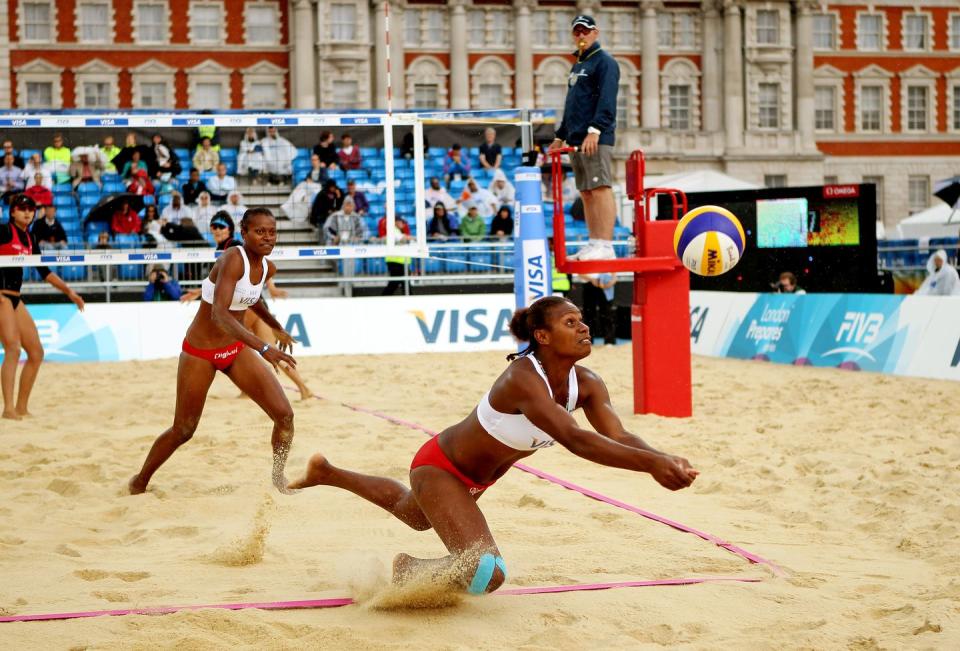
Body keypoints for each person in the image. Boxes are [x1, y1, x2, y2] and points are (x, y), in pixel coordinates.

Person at [288, 296, 697, 594]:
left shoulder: (586, 383)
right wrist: (650, 466)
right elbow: (576, 439)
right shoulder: (522, 377)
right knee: (488, 573)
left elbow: (620, 436)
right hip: (441, 467)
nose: (584, 327)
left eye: (582, 320)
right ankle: (410, 571)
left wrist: (661, 458)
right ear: (543, 336)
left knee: (416, 517)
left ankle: (328, 472)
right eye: (571, 322)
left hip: (477, 479)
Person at [129, 207, 299, 494]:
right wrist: (264, 347)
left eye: (272, 232)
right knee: (184, 430)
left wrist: (276, 325)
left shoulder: (268, 267)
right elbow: (220, 315)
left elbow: (252, 298)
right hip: (200, 352)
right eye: (260, 231)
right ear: (243, 233)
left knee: (285, 416)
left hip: (233, 349)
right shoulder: (233, 258)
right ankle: (140, 481)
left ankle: (278, 477)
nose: (268, 237)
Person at [179, 211, 314, 401]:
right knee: (264, 349)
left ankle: (297, 387)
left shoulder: (235, 247)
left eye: (221, 226)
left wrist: (272, 287)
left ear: (231, 229)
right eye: (213, 226)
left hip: (248, 305)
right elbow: (225, 282)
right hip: (249, 303)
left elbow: (259, 267)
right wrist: (200, 291)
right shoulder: (224, 248)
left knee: (241, 344)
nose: (217, 230)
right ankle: (302, 388)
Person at [0, 194, 85, 420]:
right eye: (22, 208)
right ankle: (8, 409)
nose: (27, 212)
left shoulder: (30, 237)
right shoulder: (4, 231)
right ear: (12, 212)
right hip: (1, 296)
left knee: (36, 353)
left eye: (31, 209)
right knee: (12, 349)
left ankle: (21, 408)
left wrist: (70, 292)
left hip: (15, 297)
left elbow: (45, 272)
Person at [549, 15, 620, 262]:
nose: (581, 35)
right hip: (576, 138)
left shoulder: (605, 63)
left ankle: (606, 244)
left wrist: (595, 130)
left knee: (600, 188)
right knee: (586, 192)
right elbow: (571, 105)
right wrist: (560, 136)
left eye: (585, 31)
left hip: (595, 137)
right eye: (577, 31)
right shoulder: (578, 65)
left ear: (595, 33)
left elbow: (607, 100)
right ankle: (594, 242)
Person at [577, 273, 617, 346]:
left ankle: (609, 341)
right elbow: (579, 273)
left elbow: (614, 272)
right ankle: (588, 340)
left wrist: (612, 281)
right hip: (589, 283)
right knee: (589, 313)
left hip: (606, 283)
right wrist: (592, 279)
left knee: (607, 313)